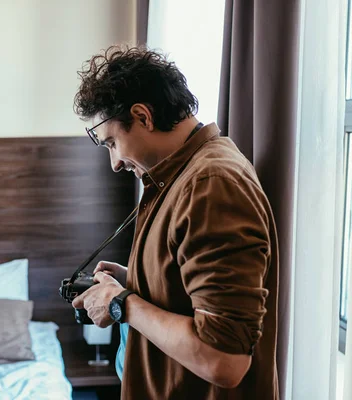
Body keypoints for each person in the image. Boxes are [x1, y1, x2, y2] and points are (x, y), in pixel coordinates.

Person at [71, 45, 279, 399]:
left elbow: (224, 360)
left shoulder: (211, 184)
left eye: (111, 144)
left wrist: (121, 303)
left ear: (143, 117)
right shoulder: (183, 176)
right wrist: (138, 280)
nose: (115, 164)